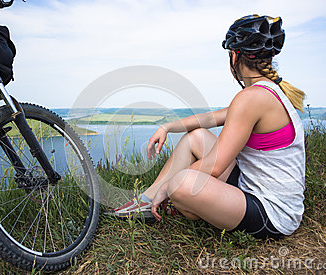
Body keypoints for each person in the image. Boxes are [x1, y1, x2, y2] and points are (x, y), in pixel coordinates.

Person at [107, 15, 306, 240]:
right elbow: (213, 118)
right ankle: (146, 201)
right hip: (254, 188)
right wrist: (167, 127)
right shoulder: (267, 91)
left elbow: (215, 167)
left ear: (235, 56)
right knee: (197, 137)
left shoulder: (252, 98)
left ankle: (165, 198)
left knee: (181, 183)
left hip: (271, 213)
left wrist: (168, 189)